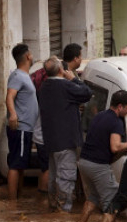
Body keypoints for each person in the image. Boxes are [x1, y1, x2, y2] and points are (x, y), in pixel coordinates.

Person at [77, 90, 127, 222]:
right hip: (97, 166)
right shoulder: (116, 122)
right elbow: (115, 147)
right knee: (113, 202)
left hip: (84, 163)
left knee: (93, 197)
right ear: (120, 106)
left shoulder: (100, 116)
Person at [37, 55, 92, 212]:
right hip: (66, 140)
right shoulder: (65, 86)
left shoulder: (44, 86)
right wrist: (73, 79)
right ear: (62, 70)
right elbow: (87, 93)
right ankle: (63, 211)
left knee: (54, 175)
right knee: (66, 177)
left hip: (51, 140)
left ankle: (54, 207)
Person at [5, 44, 41, 202]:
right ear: (27, 56)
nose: (32, 56)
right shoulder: (18, 76)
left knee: (20, 165)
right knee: (15, 164)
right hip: (20, 127)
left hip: (26, 128)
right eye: (31, 54)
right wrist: (13, 114)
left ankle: (17, 199)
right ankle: (13, 203)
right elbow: (9, 96)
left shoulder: (24, 76)